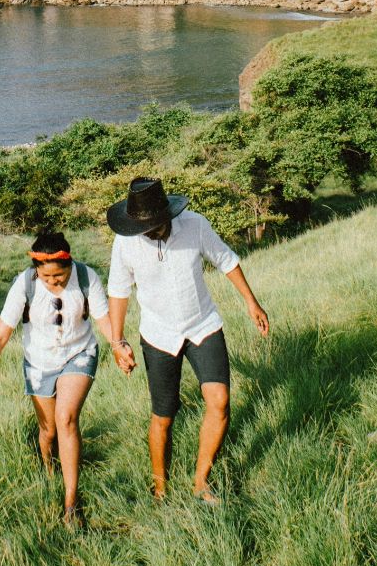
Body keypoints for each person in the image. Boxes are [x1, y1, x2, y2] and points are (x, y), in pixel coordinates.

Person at [104, 177, 269, 504]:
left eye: (153, 225)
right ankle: (160, 490)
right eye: (142, 227)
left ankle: (201, 481)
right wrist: (117, 340)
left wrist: (251, 302)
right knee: (164, 416)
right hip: (158, 334)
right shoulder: (125, 242)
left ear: (167, 215)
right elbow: (119, 292)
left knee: (219, 401)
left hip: (202, 325)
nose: (148, 232)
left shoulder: (194, 225)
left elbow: (226, 260)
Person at [0, 231, 135, 526]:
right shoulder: (24, 284)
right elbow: (0, 336)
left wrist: (118, 346)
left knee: (66, 418)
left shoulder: (86, 277)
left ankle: (71, 503)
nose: (53, 283)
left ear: (69, 265)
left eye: (58, 276)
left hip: (79, 353)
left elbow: (103, 319)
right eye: (46, 277)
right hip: (38, 362)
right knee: (47, 431)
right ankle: (48, 469)